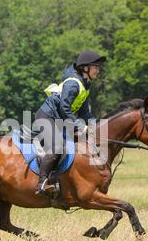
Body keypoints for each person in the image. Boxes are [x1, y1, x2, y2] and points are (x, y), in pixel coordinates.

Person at [34, 50, 106, 196]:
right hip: (46, 117)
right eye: (95, 67)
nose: (98, 70)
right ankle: (41, 183)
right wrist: (80, 126)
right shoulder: (73, 83)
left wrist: (95, 127)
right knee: (58, 146)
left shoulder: (85, 85)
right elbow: (64, 107)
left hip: (60, 119)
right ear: (85, 68)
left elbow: (85, 112)